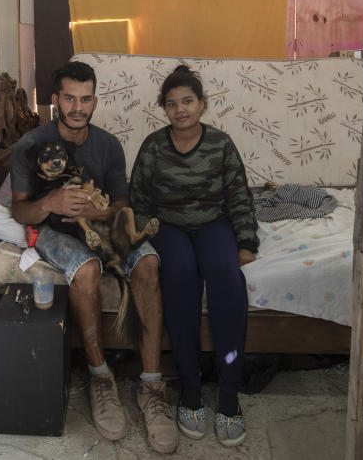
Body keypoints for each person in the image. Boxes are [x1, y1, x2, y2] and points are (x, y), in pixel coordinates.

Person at [10, 61, 177, 454]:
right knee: (85, 270)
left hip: (104, 224)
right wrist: (50, 201)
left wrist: (97, 212)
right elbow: (20, 211)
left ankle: (152, 386)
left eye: (85, 99)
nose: (78, 107)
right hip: (54, 229)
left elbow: (121, 202)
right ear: (55, 100)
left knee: (150, 264)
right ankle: (101, 379)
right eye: (69, 98)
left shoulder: (108, 145)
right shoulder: (29, 146)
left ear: (95, 100)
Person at [129, 64, 258, 447]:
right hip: (168, 226)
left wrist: (246, 243)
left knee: (227, 279)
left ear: (202, 104)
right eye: (171, 104)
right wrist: (142, 235)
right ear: (164, 109)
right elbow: (138, 198)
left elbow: (238, 195)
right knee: (181, 275)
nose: (180, 109)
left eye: (187, 101)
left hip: (213, 223)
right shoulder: (153, 145)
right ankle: (189, 388)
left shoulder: (220, 143)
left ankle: (230, 395)